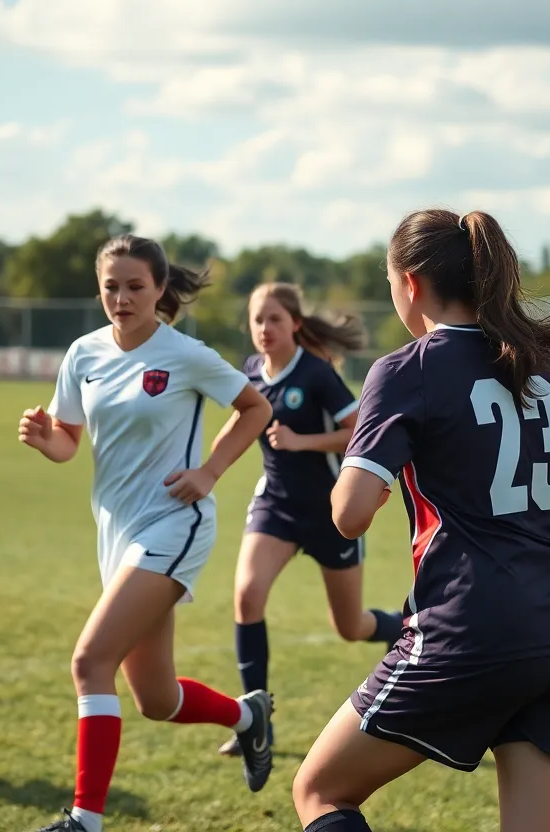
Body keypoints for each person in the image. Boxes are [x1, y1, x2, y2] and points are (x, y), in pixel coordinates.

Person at [291, 209, 550, 832]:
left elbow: (349, 515)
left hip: (470, 631)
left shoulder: (407, 368)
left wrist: (373, 475)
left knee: (322, 792)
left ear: (410, 282)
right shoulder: (542, 361)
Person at [19, 235, 276, 832]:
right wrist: (43, 438)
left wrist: (209, 471)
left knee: (89, 661)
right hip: (116, 534)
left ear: (160, 289)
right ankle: (247, 717)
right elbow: (68, 442)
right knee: (156, 701)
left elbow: (255, 408)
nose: (122, 297)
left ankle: (85, 820)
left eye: (135, 286)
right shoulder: (82, 354)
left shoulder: (184, 353)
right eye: (112, 285)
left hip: (173, 525)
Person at [217, 282, 403, 758]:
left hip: (330, 513)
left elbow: (360, 434)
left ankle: (400, 628)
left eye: (274, 319)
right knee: (246, 595)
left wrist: (301, 443)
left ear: (295, 324)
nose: (264, 329)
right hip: (275, 506)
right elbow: (241, 422)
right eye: (257, 320)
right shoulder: (251, 373)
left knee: (349, 626)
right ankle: (256, 721)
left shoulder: (317, 375)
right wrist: (207, 468)